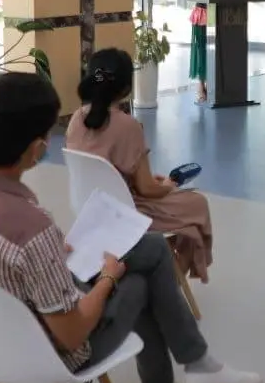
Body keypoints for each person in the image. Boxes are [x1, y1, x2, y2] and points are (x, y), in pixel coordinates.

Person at [0, 73, 260, 383]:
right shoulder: (32, 228)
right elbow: (71, 334)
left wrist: (46, 261)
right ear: (36, 150)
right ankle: (179, 380)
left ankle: (187, 375)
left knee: (152, 248)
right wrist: (108, 279)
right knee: (140, 281)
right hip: (51, 352)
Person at [65, 48, 215, 282]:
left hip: (88, 210)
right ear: (126, 88)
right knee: (198, 205)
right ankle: (171, 283)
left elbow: (106, 171)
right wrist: (167, 185)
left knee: (191, 223)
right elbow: (147, 189)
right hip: (127, 212)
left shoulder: (76, 119)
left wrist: (137, 180)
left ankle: (162, 271)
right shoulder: (128, 126)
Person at [188, 0, 235, 104]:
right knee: (202, 50)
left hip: (220, 15)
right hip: (203, 15)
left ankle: (215, 84)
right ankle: (201, 86)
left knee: (218, 51)